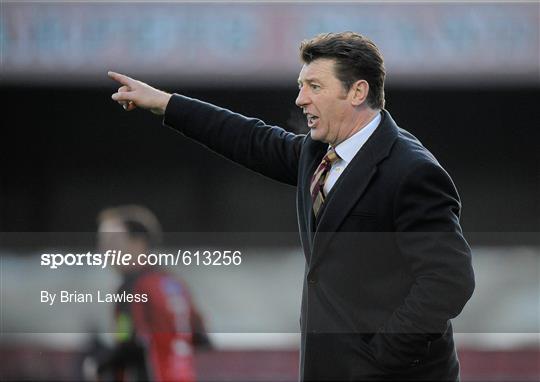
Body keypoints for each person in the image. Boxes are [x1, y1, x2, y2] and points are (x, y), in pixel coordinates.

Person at [108, 32, 475, 381]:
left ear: (357, 92)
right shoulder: (318, 154)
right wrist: (166, 103)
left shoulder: (412, 171)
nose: (301, 99)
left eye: (315, 86)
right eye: (302, 86)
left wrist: (381, 359)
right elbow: (248, 138)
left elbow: (449, 280)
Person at [95, 205, 210, 382]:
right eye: (102, 242)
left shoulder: (132, 287)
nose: (104, 251)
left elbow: (128, 342)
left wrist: (102, 363)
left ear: (138, 243)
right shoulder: (174, 283)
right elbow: (202, 338)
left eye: (112, 241)